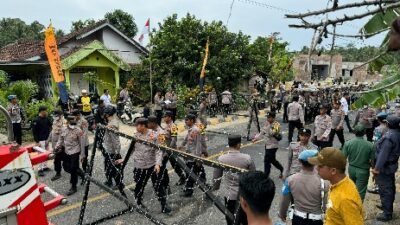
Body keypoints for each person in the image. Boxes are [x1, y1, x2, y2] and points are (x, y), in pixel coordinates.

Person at [308, 147, 364, 225]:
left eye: (320, 166)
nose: (316, 168)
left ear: (333, 171)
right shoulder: (340, 183)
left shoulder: (345, 200)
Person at [129, 118, 171, 213]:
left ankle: (164, 205)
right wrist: (124, 159)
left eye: (137, 125)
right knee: (139, 186)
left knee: (158, 185)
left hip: (152, 165)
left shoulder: (155, 135)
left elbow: (159, 150)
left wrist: (157, 164)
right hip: (139, 165)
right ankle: (138, 203)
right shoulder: (136, 135)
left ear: (143, 126)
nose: (135, 127)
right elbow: (131, 149)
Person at [213, 135, 256, 225]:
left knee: (230, 217)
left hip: (229, 195)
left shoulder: (221, 158)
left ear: (229, 145)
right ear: (238, 145)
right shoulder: (247, 158)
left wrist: (215, 187)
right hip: (244, 195)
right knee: (245, 218)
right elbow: (253, 177)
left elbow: (216, 176)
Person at [279, 150, 329, 225]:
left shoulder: (290, 180)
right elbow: (326, 206)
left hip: (298, 218)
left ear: (299, 161)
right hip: (316, 220)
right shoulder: (323, 182)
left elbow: (284, 201)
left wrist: (282, 214)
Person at [371, 115, 400, 221]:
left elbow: (383, 155)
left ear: (388, 124)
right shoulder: (396, 133)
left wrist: (376, 169)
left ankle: (387, 213)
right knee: (390, 187)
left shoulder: (389, 137)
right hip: (391, 165)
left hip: (385, 167)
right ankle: (386, 205)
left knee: (385, 189)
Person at [179, 114, 208, 197]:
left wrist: (198, 158)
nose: (185, 121)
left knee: (190, 173)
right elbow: (186, 138)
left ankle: (189, 191)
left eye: (187, 120)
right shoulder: (191, 129)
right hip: (190, 156)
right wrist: (182, 145)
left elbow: (199, 145)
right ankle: (206, 187)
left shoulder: (195, 130)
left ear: (192, 120)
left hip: (193, 157)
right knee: (199, 173)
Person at [342, 125, 374, 201]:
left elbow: (343, 158)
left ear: (354, 132)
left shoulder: (348, 143)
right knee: (360, 192)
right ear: (364, 133)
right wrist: (374, 169)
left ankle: (350, 204)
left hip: (351, 169)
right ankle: (357, 209)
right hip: (363, 171)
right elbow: (372, 161)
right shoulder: (370, 145)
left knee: (352, 188)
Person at [55, 116, 85, 196]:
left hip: (75, 151)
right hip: (66, 151)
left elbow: (82, 143)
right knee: (66, 167)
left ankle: (73, 186)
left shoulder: (78, 130)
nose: (72, 125)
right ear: (67, 122)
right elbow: (60, 139)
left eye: (73, 123)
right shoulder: (63, 129)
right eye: (71, 123)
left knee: (73, 168)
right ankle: (82, 174)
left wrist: (82, 155)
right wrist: (57, 146)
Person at [102, 105, 125, 195]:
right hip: (109, 149)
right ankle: (109, 181)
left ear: (107, 114)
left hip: (113, 151)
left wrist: (117, 153)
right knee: (108, 167)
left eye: (105, 113)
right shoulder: (111, 122)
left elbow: (116, 140)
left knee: (116, 168)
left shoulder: (112, 125)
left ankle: (120, 183)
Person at [252, 112, 283, 178]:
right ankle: (281, 169)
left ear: (273, 118)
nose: (267, 119)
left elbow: (271, 133)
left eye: (269, 117)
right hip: (267, 144)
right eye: (267, 117)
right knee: (272, 160)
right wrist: (256, 138)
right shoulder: (267, 123)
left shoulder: (277, 125)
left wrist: (268, 126)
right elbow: (262, 132)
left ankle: (266, 175)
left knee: (267, 160)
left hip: (273, 145)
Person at [148, 116, 171, 193]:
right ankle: (162, 186)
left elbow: (161, 147)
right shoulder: (152, 130)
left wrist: (159, 160)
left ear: (153, 123)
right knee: (161, 171)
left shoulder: (161, 133)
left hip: (162, 156)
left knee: (162, 171)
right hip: (154, 155)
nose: (147, 124)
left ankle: (166, 187)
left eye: (148, 123)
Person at [163, 111, 186, 185]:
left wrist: (169, 149)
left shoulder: (173, 126)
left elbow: (174, 139)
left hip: (171, 150)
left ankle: (186, 177)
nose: (164, 118)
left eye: (165, 116)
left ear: (169, 117)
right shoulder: (167, 125)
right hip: (166, 149)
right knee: (170, 164)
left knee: (176, 165)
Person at [32, 106, 52, 177]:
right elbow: (34, 132)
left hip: (47, 139)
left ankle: (45, 166)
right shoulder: (36, 120)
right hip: (40, 140)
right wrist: (37, 141)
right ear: (41, 111)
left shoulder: (47, 119)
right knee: (40, 154)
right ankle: (40, 169)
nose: (47, 112)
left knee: (46, 153)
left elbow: (51, 126)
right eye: (46, 111)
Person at [50, 110, 65, 181]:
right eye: (55, 115)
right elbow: (53, 131)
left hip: (61, 145)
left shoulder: (64, 122)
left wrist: (60, 145)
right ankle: (58, 173)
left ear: (61, 115)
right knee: (57, 159)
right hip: (55, 144)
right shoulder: (55, 121)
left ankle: (79, 172)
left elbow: (64, 135)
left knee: (66, 159)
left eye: (57, 115)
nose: (55, 117)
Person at [73, 110, 89, 176]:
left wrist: (81, 143)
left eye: (75, 116)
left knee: (84, 157)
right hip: (77, 143)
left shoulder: (84, 121)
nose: (74, 117)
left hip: (84, 143)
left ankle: (85, 171)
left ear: (78, 115)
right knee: (79, 157)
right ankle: (84, 168)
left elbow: (85, 134)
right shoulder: (75, 120)